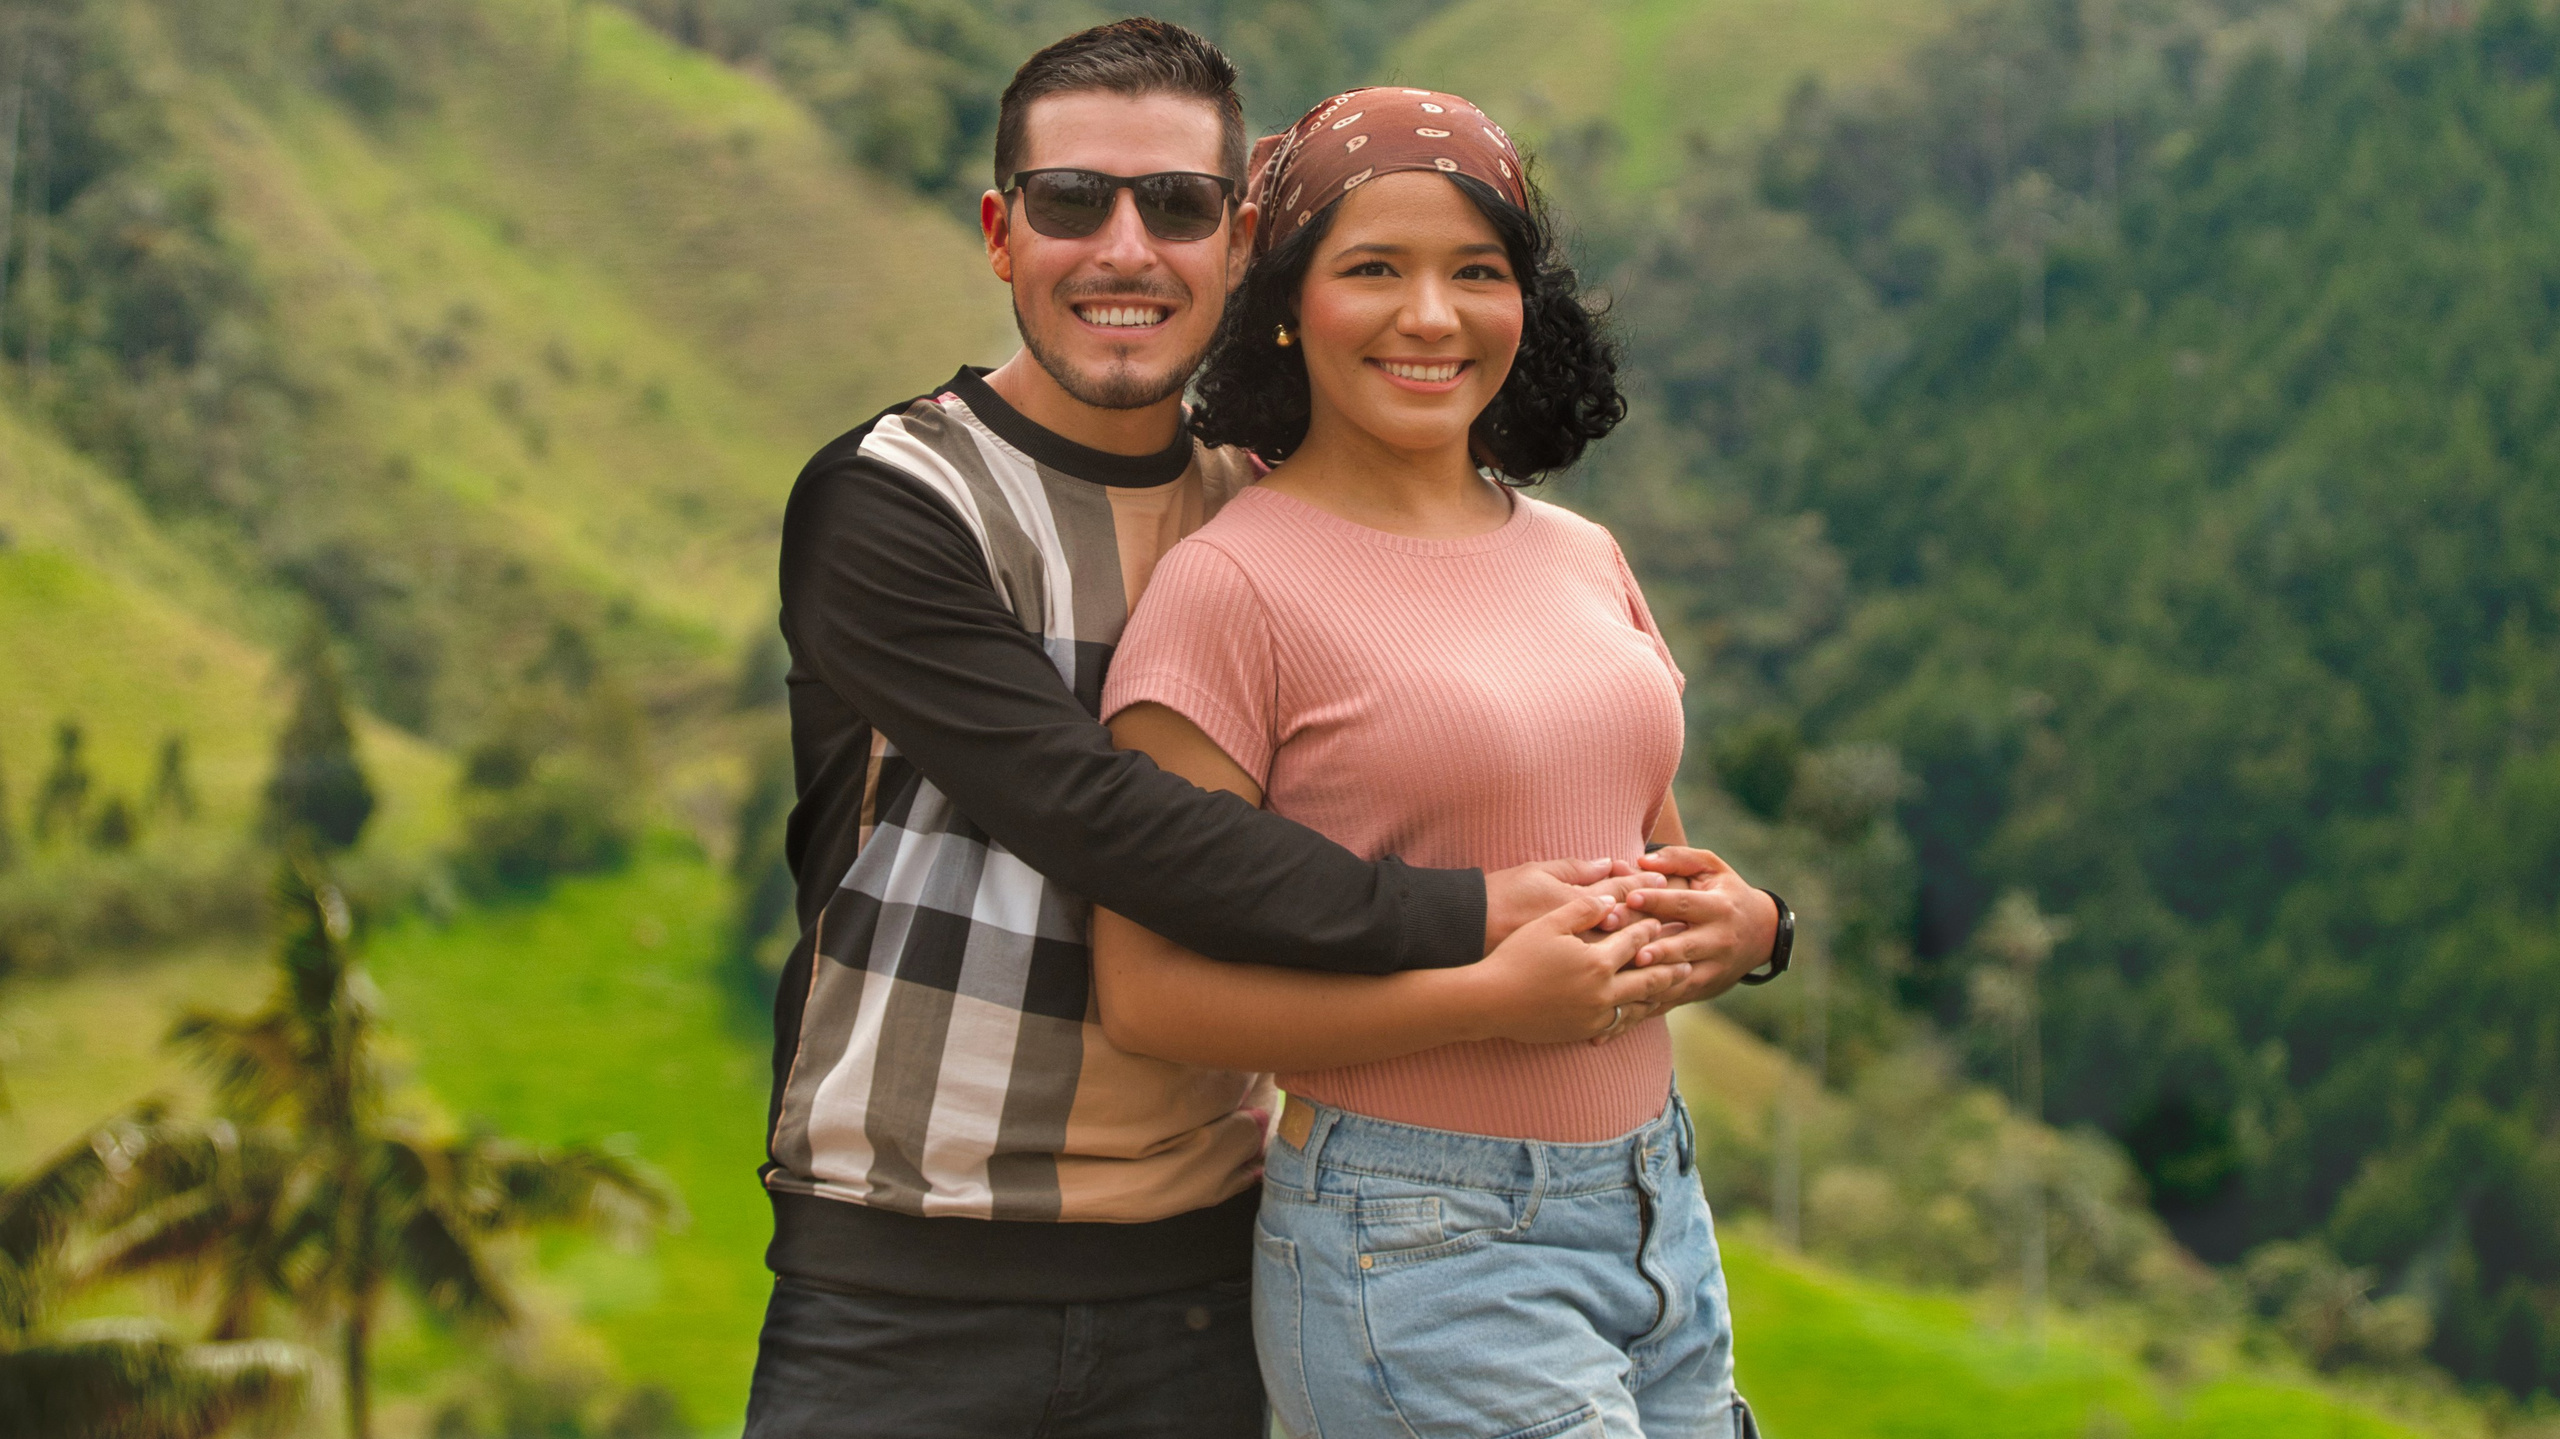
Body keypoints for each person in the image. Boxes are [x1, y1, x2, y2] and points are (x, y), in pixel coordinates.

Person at [748, 19, 1785, 1438]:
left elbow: (1529, 746)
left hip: (1199, 1258)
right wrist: (1480, 927)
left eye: (1174, 205)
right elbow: (1106, 822)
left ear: (1237, 247)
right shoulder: (902, 502)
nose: (1125, 248)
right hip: (912, 1271)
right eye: (1072, 201)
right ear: (1000, 232)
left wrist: (1752, 923)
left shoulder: (1257, 509)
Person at [1092, 87, 1774, 1439]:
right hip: (1413, 1236)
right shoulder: (1229, 590)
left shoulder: (1582, 556)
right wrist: (1479, 999)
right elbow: (1149, 992)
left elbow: (1646, 861)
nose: (1431, 318)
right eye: (1373, 271)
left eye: (1477, 272)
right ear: (1286, 302)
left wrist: (1745, 926)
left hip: (1653, 1209)